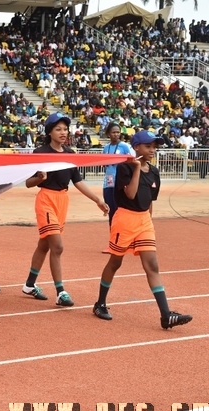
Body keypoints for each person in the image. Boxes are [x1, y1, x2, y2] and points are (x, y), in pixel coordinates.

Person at [93, 130, 193, 329]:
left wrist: (150, 221)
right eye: (148, 146)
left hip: (144, 221)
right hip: (125, 219)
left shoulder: (155, 172)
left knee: (152, 265)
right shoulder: (125, 168)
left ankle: (166, 315)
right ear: (136, 147)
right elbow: (130, 194)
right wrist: (136, 168)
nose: (152, 150)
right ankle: (100, 303)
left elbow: (149, 201)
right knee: (115, 263)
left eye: (154, 147)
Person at [22, 113, 109, 306]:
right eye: (58, 129)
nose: (63, 132)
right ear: (49, 132)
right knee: (57, 246)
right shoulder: (40, 153)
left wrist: (97, 200)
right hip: (46, 199)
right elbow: (29, 183)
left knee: (44, 245)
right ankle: (61, 292)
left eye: (65, 129)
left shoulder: (70, 154)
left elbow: (77, 181)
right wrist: (40, 178)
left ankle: (29, 284)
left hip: (62, 201)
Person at [101, 122, 134, 253]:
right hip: (108, 184)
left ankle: (126, 241)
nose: (116, 134)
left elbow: (132, 162)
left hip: (121, 185)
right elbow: (103, 164)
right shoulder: (106, 148)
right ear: (109, 134)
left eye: (118, 132)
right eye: (113, 132)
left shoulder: (125, 146)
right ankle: (113, 242)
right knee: (112, 213)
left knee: (123, 213)